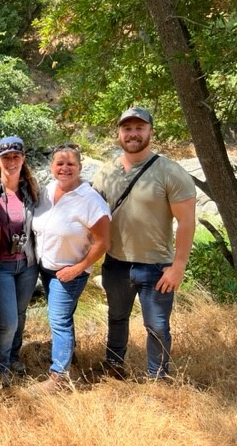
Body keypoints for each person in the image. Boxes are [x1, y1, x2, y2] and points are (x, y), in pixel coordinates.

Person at [92, 107, 196, 380]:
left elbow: (186, 222)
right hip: (116, 264)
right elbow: (91, 216)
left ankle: (158, 378)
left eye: (139, 128)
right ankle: (113, 367)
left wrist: (178, 266)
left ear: (151, 131)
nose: (133, 134)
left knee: (157, 327)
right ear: (119, 133)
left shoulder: (169, 171)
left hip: (156, 267)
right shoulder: (105, 172)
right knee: (116, 318)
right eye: (127, 129)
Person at [30, 143, 110, 393]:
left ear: (79, 167)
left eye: (70, 164)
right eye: (60, 163)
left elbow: (103, 242)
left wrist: (79, 268)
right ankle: (68, 357)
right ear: (52, 166)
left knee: (59, 319)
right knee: (63, 318)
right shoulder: (47, 191)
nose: (65, 168)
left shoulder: (90, 200)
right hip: (46, 268)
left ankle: (59, 377)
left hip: (70, 272)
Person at [0, 136, 39, 383]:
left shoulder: (31, 189)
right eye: (6, 157)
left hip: (27, 263)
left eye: (16, 156)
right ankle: (1, 365)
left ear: (23, 158)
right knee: (8, 320)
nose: (11, 161)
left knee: (21, 314)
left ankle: (14, 357)